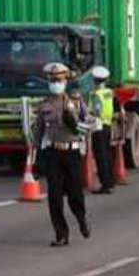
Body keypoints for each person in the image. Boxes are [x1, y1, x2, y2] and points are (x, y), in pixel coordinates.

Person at [31, 63, 89, 247]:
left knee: (75, 194)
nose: (56, 82)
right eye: (52, 80)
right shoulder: (44, 105)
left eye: (59, 79)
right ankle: (61, 234)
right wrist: (36, 159)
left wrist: (76, 124)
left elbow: (91, 124)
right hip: (53, 153)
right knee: (54, 196)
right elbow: (38, 133)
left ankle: (81, 219)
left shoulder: (77, 102)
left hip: (72, 152)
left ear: (65, 80)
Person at [89, 66, 115, 194]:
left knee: (100, 156)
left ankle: (105, 185)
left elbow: (96, 111)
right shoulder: (109, 92)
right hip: (108, 124)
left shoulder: (96, 95)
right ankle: (110, 181)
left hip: (98, 126)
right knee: (108, 154)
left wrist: (89, 113)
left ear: (95, 80)